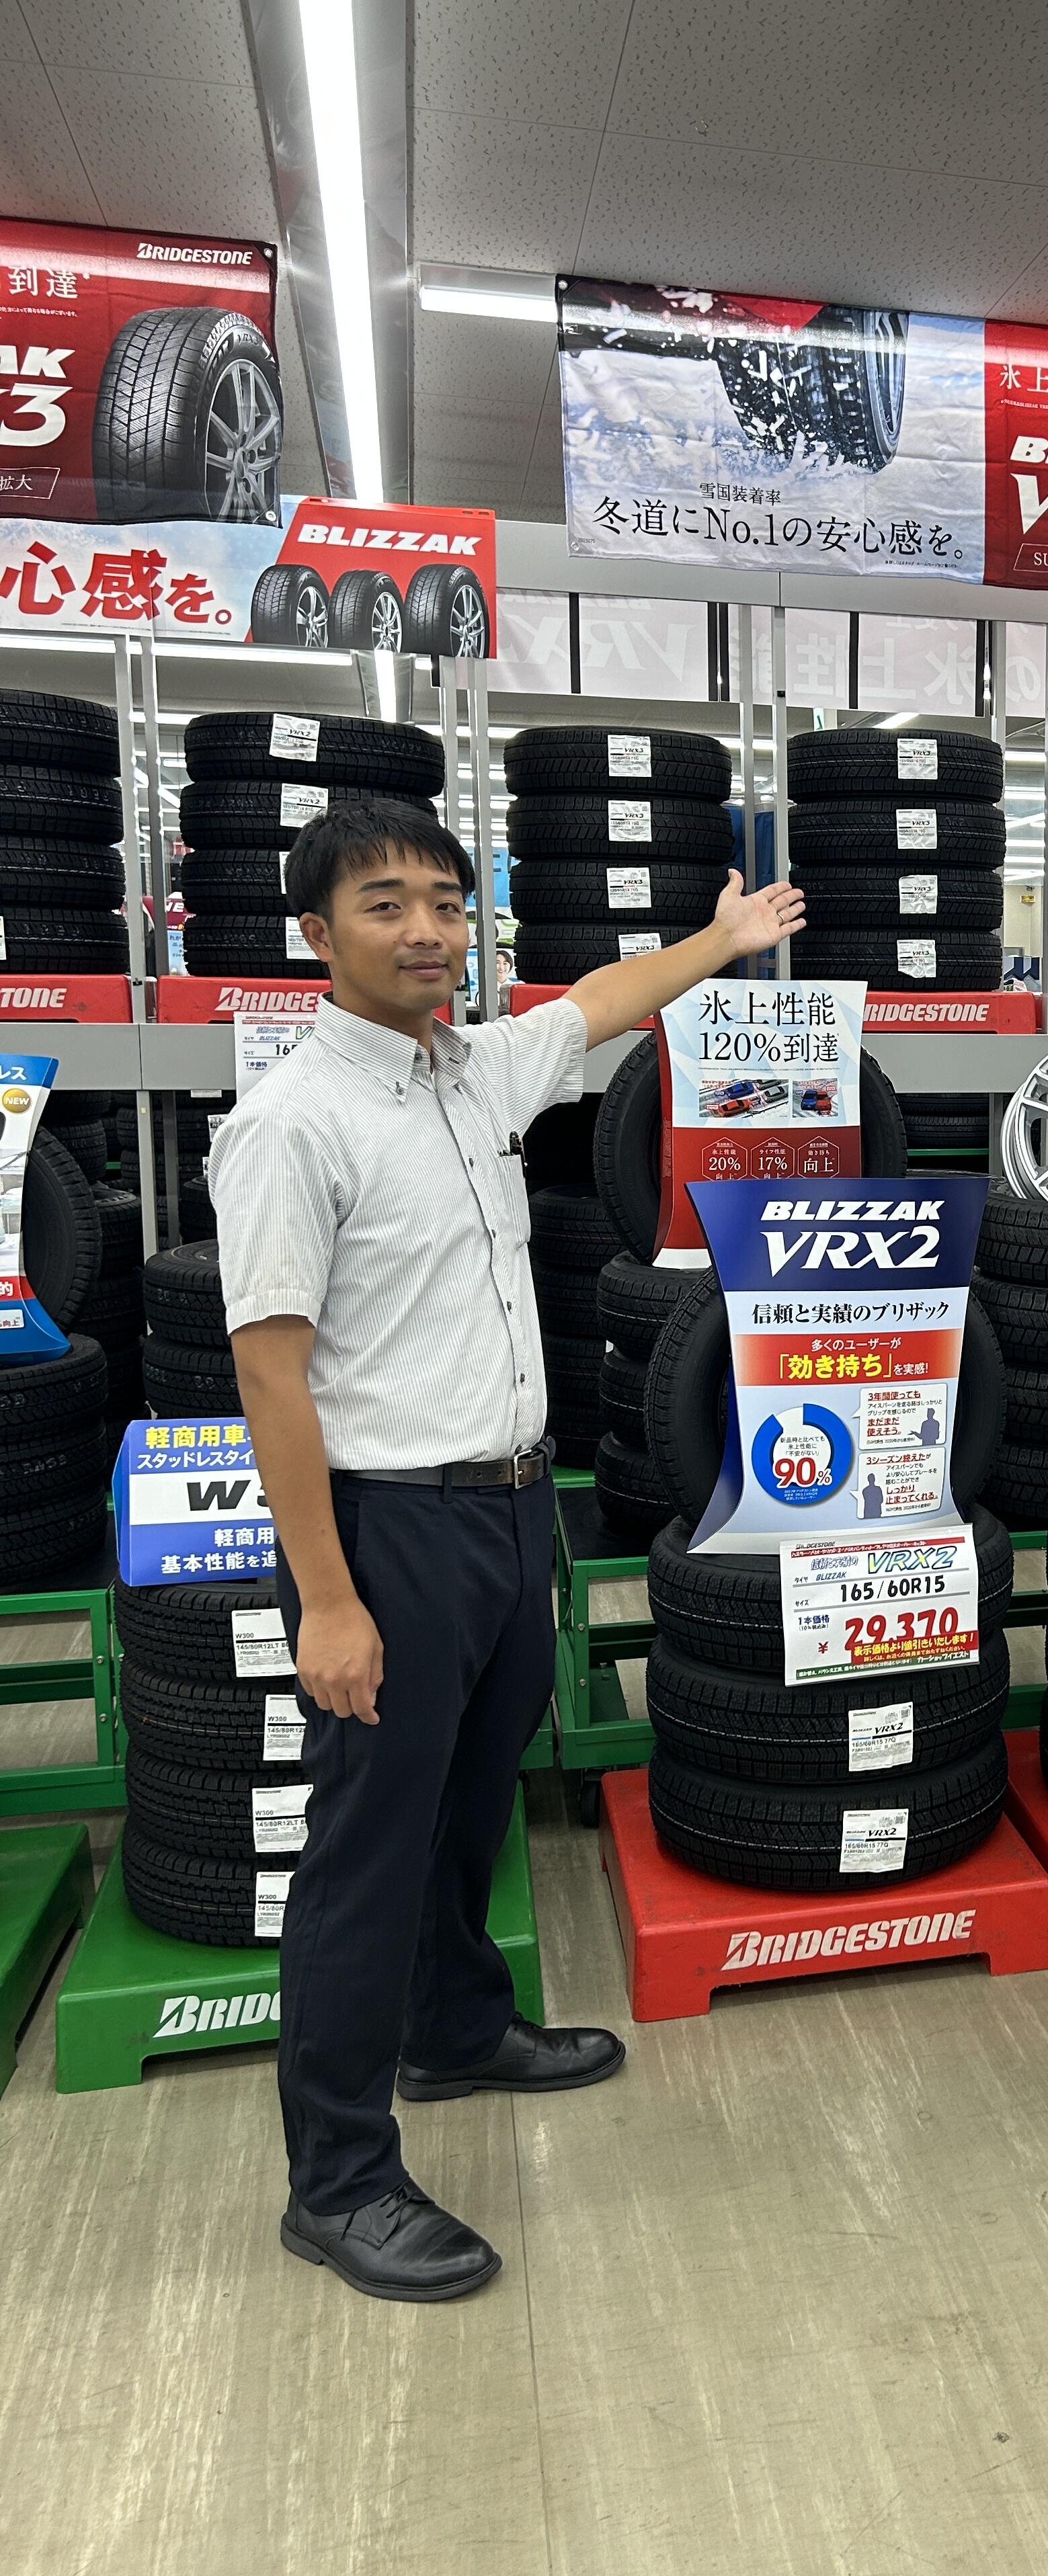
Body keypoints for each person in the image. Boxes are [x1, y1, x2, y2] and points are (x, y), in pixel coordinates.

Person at [212, 799, 803, 2298]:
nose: (425, 931)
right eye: (385, 905)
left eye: (445, 901)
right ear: (315, 934)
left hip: (507, 1506)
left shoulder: (472, 1069)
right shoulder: (292, 1123)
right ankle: (339, 2180)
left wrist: (724, 940)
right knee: (365, 1855)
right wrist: (328, 1600)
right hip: (386, 1528)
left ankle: (454, 2030)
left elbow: (597, 1001)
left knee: (469, 1806)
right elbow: (270, 1377)